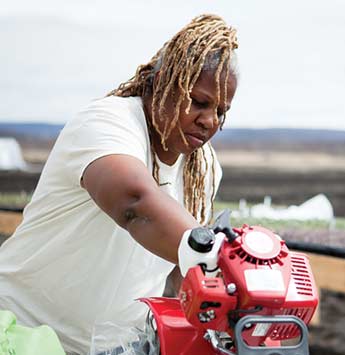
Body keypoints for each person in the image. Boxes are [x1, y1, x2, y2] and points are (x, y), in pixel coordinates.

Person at [0, 14, 238, 354]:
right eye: (199, 102)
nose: (210, 121)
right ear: (163, 84)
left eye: (222, 111)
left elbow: (176, 267)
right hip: (21, 332)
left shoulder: (205, 167)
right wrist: (218, 257)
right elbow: (135, 204)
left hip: (113, 348)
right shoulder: (107, 124)